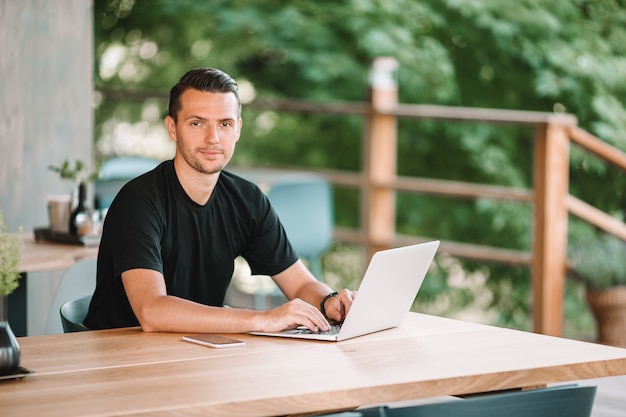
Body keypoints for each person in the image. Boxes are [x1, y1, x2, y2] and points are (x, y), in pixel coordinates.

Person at [84, 67, 356, 333]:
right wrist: (262, 319)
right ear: (172, 128)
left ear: (237, 129)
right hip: (120, 357)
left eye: (224, 124)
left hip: (197, 350)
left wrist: (329, 301)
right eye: (197, 123)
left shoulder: (247, 200)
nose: (212, 138)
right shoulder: (138, 202)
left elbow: (299, 284)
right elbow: (152, 312)